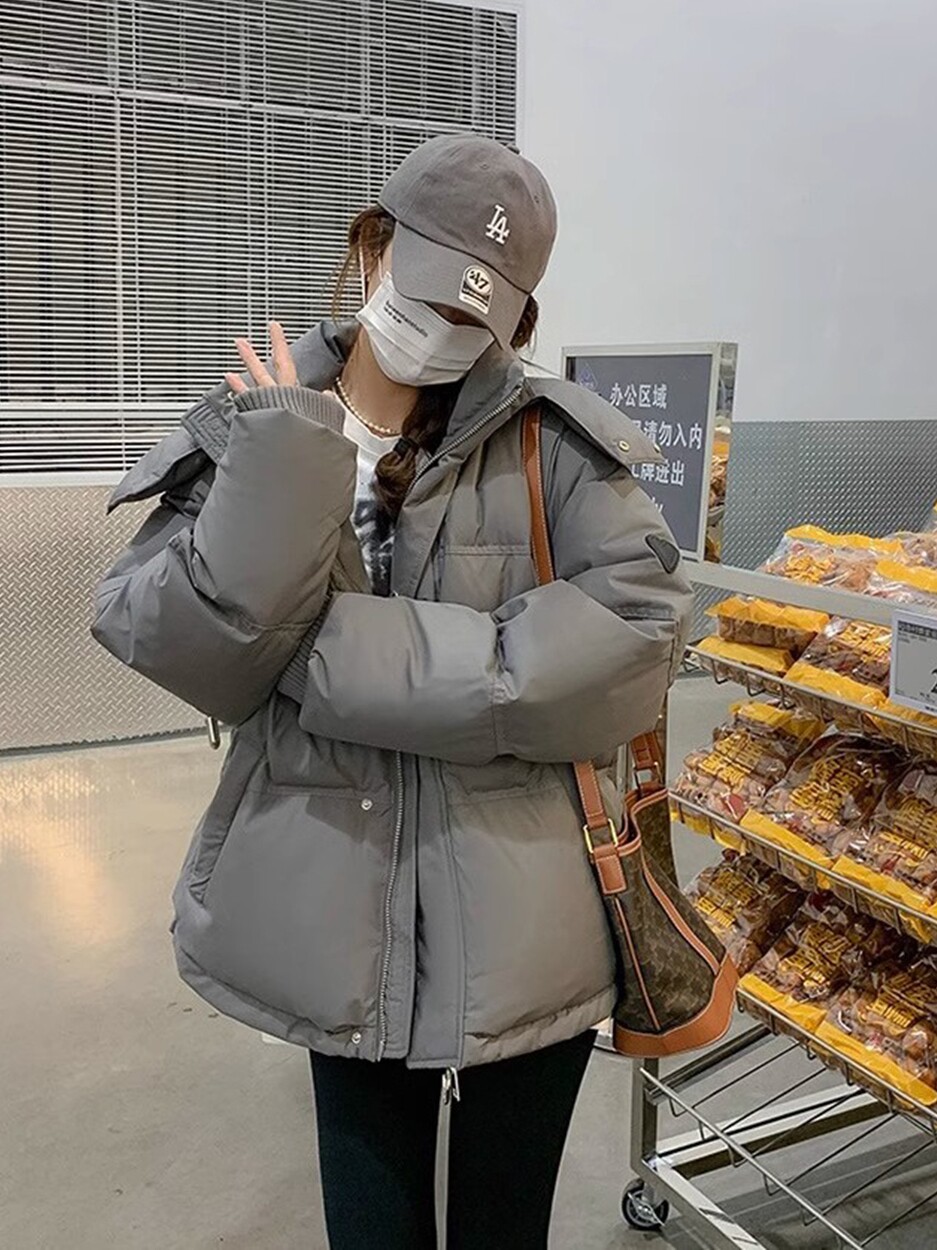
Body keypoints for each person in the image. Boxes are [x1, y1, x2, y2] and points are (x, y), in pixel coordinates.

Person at [91, 134, 694, 1249]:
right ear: (371, 247)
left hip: (531, 925)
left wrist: (329, 658)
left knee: (505, 1230)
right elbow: (169, 636)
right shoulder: (262, 418)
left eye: (477, 314)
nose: (443, 328)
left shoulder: (552, 443)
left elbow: (633, 642)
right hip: (334, 912)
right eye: (428, 290)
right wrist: (285, 470)